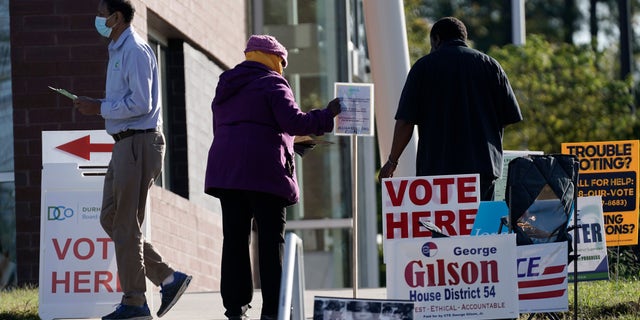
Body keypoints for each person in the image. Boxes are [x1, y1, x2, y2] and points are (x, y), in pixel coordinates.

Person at [204, 34, 341, 320]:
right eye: (282, 62)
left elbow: (228, 125)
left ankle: (235, 308)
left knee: (235, 239)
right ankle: (275, 311)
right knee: (270, 241)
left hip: (227, 170)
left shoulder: (226, 83)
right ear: (275, 58)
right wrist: (327, 114)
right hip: (264, 171)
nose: (283, 68)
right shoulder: (273, 82)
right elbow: (294, 122)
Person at [73, 1, 191, 319]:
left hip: (138, 142)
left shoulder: (135, 50)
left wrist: (98, 107)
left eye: (101, 12)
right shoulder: (120, 49)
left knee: (125, 223)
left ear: (117, 17)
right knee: (111, 218)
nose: (97, 18)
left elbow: (141, 103)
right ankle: (167, 277)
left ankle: (136, 302)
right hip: (126, 144)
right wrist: (99, 105)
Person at [378, 17, 523, 201]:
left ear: (437, 39)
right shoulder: (491, 66)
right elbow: (508, 116)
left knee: (442, 227)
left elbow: (406, 122)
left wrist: (392, 161)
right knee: (480, 229)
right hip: (482, 172)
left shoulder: (424, 67)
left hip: (438, 173)